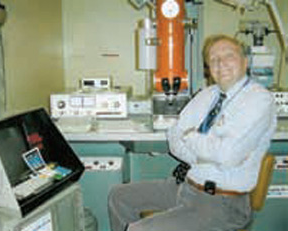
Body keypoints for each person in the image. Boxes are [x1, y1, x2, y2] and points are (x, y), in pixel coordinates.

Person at [108, 34, 277, 231]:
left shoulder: (259, 100)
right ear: (208, 68)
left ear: (245, 61)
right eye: (213, 59)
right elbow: (174, 137)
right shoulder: (208, 95)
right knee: (119, 196)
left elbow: (227, 155)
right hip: (187, 186)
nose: (221, 63)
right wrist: (203, 156)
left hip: (222, 203)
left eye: (228, 56)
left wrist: (191, 137)